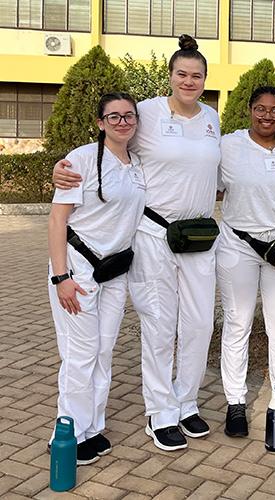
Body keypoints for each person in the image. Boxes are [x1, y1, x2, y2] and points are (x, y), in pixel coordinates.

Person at [52, 35, 221, 452]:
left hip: (199, 235)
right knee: (160, 325)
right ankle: (160, 412)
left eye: (196, 75)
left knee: (200, 324)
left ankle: (187, 400)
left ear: (204, 80)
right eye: (181, 74)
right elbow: (105, 147)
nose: (189, 81)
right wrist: (62, 168)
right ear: (169, 76)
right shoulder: (143, 112)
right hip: (153, 234)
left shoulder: (212, 119)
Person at [48, 92, 145, 465]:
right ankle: (67, 433)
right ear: (100, 122)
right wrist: (61, 277)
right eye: (114, 116)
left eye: (129, 116)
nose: (123, 122)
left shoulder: (137, 164)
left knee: (103, 351)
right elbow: (58, 219)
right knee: (80, 354)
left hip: (114, 269)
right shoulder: (82, 159)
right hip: (77, 267)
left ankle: (92, 427)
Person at [217, 86, 275, 437]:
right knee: (238, 322)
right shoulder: (228, 145)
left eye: (274, 110)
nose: (267, 116)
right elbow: (203, 182)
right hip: (237, 245)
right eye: (260, 108)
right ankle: (235, 403)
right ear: (249, 109)